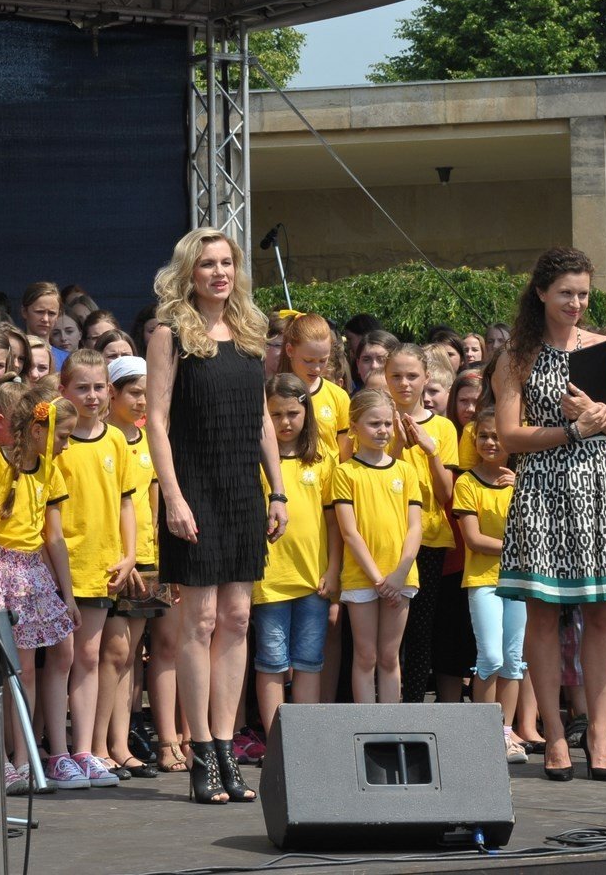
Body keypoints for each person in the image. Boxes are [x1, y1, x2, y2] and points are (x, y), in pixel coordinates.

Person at [492, 247, 606, 783]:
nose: (577, 303)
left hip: (599, 487)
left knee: (604, 613)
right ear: (541, 293)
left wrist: (603, 417)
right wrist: (572, 430)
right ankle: (554, 735)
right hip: (541, 488)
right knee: (543, 613)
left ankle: (599, 735)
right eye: (566, 293)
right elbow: (509, 435)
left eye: (583, 294)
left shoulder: (605, 349)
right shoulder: (518, 355)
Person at [146, 227, 286, 806]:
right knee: (197, 623)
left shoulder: (253, 332)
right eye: (207, 264)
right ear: (189, 272)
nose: (220, 273)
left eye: (227, 263)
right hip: (194, 487)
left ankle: (228, 747)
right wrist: (173, 498)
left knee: (236, 620)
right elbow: (155, 421)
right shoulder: (169, 332)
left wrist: (277, 491)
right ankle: (200, 748)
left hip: (242, 492)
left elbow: (261, 421)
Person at [0, 386, 78, 795]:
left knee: (28, 669)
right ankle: (1, 761)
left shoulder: (50, 471)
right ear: (38, 430)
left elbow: (53, 538)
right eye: (62, 435)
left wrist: (67, 595)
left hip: (31, 571)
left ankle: (25, 757)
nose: (66, 445)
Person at [54, 348, 139, 787]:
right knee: (61, 657)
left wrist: (129, 554)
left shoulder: (115, 441)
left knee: (88, 655)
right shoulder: (56, 441)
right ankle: (53, 749)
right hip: (59, 565)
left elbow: (127, 500)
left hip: (101, 566)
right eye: (81, 387)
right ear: (62, 389)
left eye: (98, 387)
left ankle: (85, 749)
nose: (92, 396)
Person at [254, 374, 338, 731]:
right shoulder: (256, 462)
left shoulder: (321, 459)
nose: (285, 422)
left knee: (308, 660)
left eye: (292, 413)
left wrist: (333, 571)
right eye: (275, 415)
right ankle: (277, 740)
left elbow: (335, 523)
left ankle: (307, 737)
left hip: (312, 579)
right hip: (270, 579)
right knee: (271, 661)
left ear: (307, 414)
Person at [94, 355, 164, 780]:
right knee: (113, 651)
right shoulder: (103, 440)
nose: (142, 401)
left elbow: (151, 505)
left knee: (130, 656)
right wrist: (125, 552)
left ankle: (119, 744)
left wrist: (147, 551)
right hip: (112, 558)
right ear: (113, 393)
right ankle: (98, 744)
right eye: (135, 392)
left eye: (148, 394)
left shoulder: (149, 440)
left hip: (145, 557)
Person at [332, 389, 421, 704]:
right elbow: (350, 532)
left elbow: (415, 528)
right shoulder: (345, 473)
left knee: (389, 655)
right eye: (374, 424)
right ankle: (367, 726)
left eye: (387, 423)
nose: (383, 431)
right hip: (362, 577)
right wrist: (377, 578)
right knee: (366, 655)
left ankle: (391, 725)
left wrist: (398, 575)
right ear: (354, 427)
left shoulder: (406, 471)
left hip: (400, 578)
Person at [384, 344, 457, 704]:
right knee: (382, 630)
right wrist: (396, 444)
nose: (404, 383)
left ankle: (412, 705)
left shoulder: (443, 427)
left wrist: (431, 451)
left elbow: (447, 494)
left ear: (427, 378)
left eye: (412, 376)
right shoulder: (377, 423)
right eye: (396, 376)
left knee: (419, 628)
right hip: (382, 538)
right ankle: (380, 705)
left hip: (428, 538)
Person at [453, 407, 526, 762]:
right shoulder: (466, 482)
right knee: (491, 656)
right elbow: (475, 539)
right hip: (483, 580)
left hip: (519, 581)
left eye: (497, 435)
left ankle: (506, 734)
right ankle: (484, 733)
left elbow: (537, 532)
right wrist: (513, 548)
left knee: (513, 660)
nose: (490, 442)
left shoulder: (524, 480)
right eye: (483, 435)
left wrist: (524, 489)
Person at [278, 313, 351, 462]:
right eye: (308, 360)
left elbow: (346, 453)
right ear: (290, 350)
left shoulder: (338, 396)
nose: (316, 369)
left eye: (322, 360)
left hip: (330, 483)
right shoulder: (273, 394)